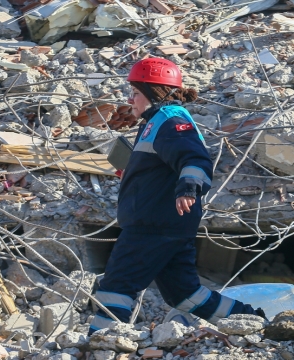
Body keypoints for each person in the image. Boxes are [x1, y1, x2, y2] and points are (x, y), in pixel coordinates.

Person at [88, 58, 264, 334]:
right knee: (184, 294)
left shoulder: (170, 121)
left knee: (117, 285)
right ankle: (255, 321)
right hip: (166, 223)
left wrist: (189, 188)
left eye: (135, 92)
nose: (130, 99)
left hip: (154, 224)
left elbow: (194, 159)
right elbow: (164, 165)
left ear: (153, 91)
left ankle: (100, 342)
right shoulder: (157, 121)